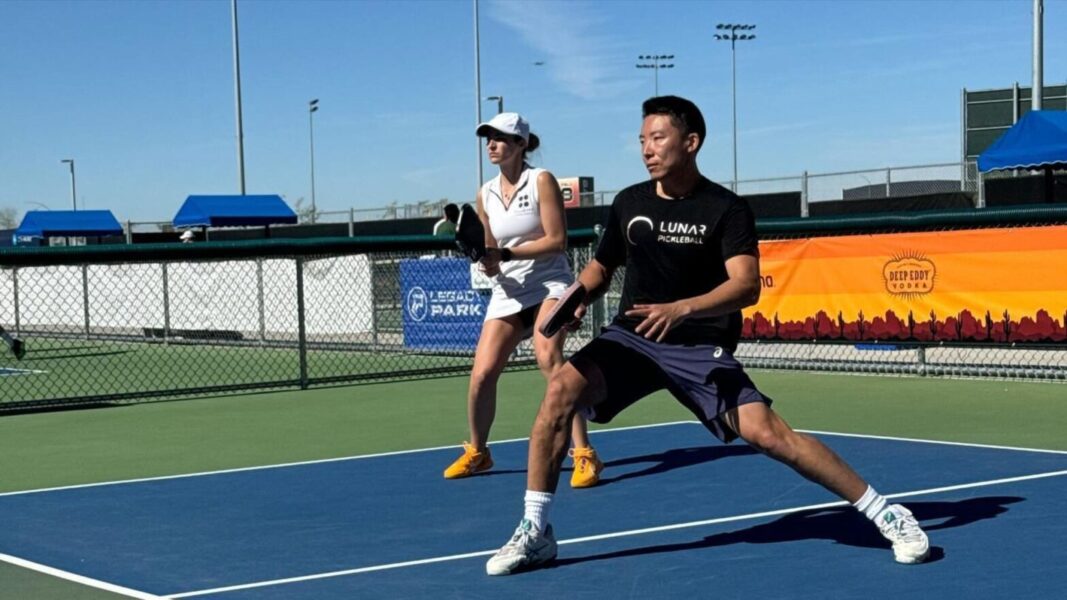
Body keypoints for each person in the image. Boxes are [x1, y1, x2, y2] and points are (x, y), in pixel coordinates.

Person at [485, 96, 930, 575]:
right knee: (560, 392)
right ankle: (536, 531)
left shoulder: (726, 209)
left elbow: (745, 286)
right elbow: (600, 267)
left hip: (697, 346)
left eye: (657, 138)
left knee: (769, 435)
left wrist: (684, 308)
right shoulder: (629, 202)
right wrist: (576, 298)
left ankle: (886, 511)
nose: (646, 150)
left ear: (691, 143)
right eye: (641, 140)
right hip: (631, 339)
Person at [443, 111, 605, 489]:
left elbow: (556, 240)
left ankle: (584, 454)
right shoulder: (484, 193)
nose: (491, 145)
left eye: (499, 138)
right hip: (509, 291)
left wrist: (508, 256)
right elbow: (491, 248)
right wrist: (489, 263)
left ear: (521, 144)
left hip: (550, 282)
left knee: (549, 359)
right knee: (482, 374)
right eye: (488, 138)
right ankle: (479, 452)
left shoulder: (541, 181)